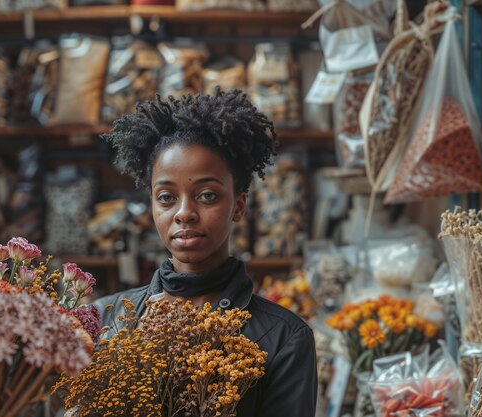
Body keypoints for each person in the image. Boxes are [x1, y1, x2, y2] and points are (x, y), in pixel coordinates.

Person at [93, 88, 317, 417]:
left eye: (208, 195)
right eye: (167, 197)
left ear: (238, 205)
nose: (184, 213)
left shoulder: (284, 337)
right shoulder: (106, 320)